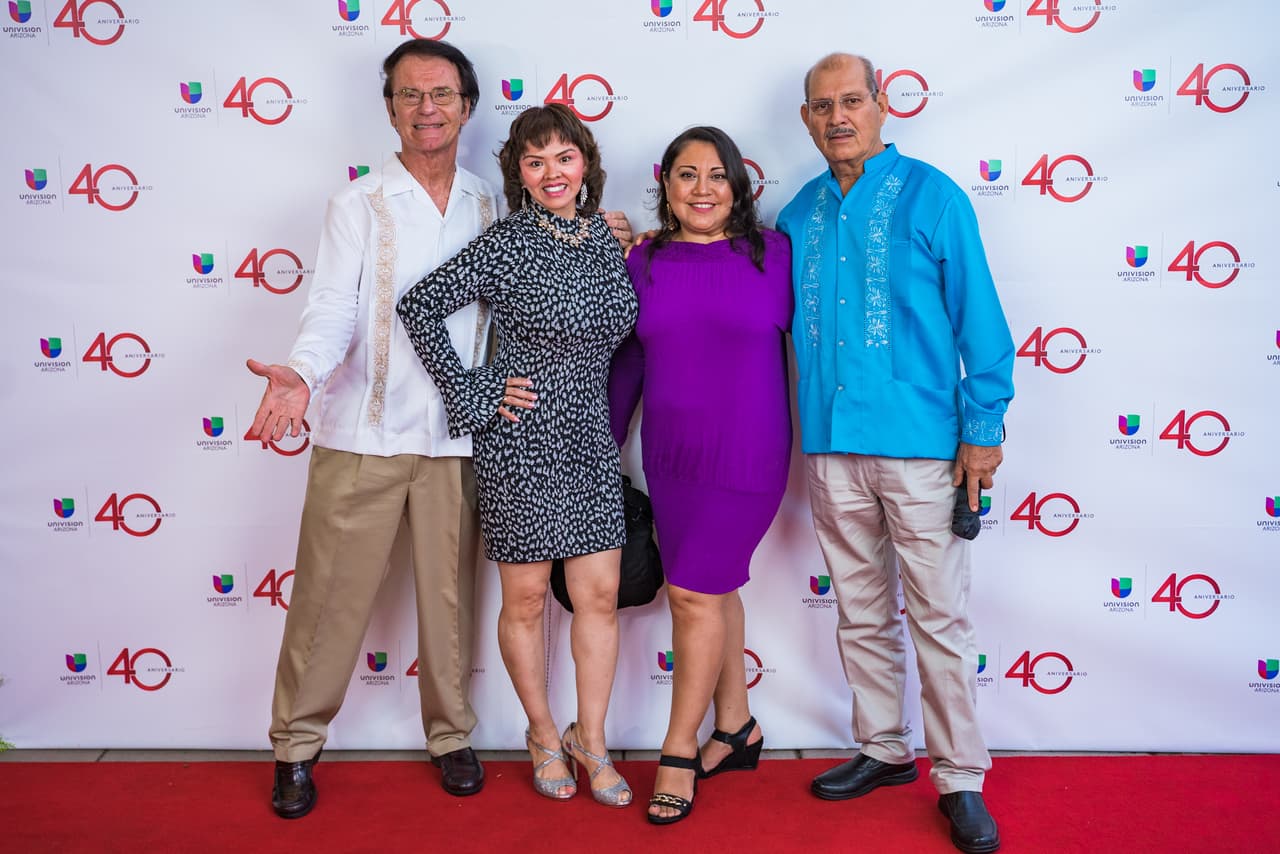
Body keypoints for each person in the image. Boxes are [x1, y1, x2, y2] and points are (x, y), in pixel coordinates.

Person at [245, 39, 633, 819]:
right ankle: (296, 746)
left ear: (466, 106)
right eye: (412, 94)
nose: (429, 107)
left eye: (444, 94)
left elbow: (552, 277)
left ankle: (452, 737)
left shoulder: (494, 201)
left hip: (467, 441)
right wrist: (302, 370)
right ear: (391, 108)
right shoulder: (357, 202)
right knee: (329, 598)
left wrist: (605, 233)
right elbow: (334, 308)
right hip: (368, 431)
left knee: (452, 604)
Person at [776, 53, 1014, 854]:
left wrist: (983, 428)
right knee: (860, 609)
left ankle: (960, 777)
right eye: (822, 106)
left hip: (922, 448)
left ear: (881, 106)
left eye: (852, 101)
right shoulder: (797, 215)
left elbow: (979, 316)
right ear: (806, 119)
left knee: (940, 616)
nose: (838, 116)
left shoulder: (933, 196)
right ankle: (882, 747)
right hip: (832, 445)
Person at [396, 104, 638, 808]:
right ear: (519, 175)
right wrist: (473, 393)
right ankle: (540, 732)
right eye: (536, 162)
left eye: (564, 157)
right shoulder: (503, 245)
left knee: (597, 597)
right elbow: (419, 306)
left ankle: (590, 740)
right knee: (527, 599)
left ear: (584, 164)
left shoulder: (607, 239)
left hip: (592, 436)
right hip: (521, 437)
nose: (552, 172)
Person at [608, 127, 792, 825]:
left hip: (747, 456)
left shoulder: (772, 253)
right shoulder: (643, 260)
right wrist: (602, 443)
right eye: (688, 175)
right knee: (711, 593)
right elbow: (627, 363)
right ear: (667, 186)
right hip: (673, 457)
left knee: (691, 595)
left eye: (718, 175)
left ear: (739, 187)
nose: (704, 188)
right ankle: (737, 728)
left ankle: (678, 749)